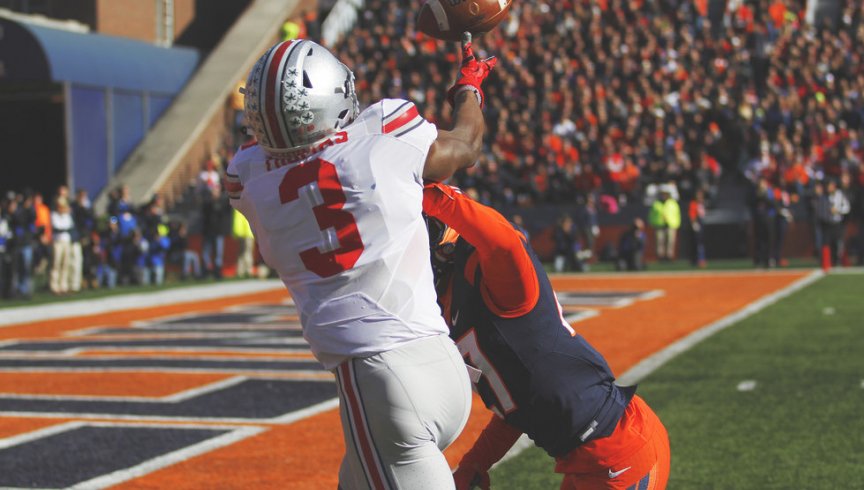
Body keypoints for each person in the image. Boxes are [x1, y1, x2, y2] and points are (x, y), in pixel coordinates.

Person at [227, 35, 496, 489]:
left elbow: (271, 160)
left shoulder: (248, 181)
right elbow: (466, 145)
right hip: (436, 361)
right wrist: (469, 85)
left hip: (379, 386)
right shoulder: (384, 131)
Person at [422, 182, 670, 490]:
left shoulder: (497, 281)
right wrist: (475, 462)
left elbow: (506, 243)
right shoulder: (449, 305)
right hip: (594, 453)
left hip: (619, 451)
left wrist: (429, 193)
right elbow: (517, 408)